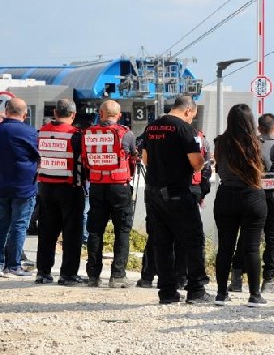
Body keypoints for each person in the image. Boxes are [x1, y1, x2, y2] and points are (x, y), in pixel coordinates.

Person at [142, 95, 211, 304]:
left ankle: (167, 292)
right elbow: (197, 163)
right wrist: (203, 163)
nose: (191, 120)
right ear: (188, 111)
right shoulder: (184, 129)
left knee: (162, 243)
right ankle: (197, 290)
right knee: (193, 240)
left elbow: (145, 159)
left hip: (153, 193)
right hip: (177, 193)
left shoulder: (151, 127)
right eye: (192, 116)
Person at [229, 113, 274, 294]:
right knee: (273, 238)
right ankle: (268, 280)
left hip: (252, 195)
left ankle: (236, 277)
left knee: (247, 236)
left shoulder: (250, 146)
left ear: (258, 128)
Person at [212, 104, 268, 307]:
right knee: (252, 248)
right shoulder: (256, 144)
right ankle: (254, 295)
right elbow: (267, 165)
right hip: (252, 196)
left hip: (226, 196)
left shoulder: (220, 142)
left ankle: (221, 294)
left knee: (225, 247)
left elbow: (218, 166)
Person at [82, 100, 137, 288]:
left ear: (101, 113)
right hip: (119, 187)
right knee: (122, 230)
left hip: (97, 185)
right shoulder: (126, 134)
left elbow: (85, 160)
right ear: (119, 115)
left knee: (95, 230)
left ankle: (93, 275)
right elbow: (132, 159)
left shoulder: (89, 133)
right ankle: (118, 275)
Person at [34, 99, 87, 285]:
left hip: (45, 188)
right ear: (73, 115)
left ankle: (43, 272)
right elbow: (85, 163)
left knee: (46, 232)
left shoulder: (41, 132)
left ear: (55, 113)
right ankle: (68, 274)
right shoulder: (76, 134)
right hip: (70, 189)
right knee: (72, 233)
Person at [0, 98, 39, 278]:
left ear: (6, 111)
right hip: (24, 187)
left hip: (1, 186)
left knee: (2, 224)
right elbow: (39, 156)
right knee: (19, 225)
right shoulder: (30, 132)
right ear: (25, 114)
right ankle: (13, 265)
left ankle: (0, 263)